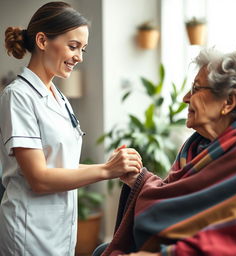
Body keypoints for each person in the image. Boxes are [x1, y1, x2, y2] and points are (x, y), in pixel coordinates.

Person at [0, 2, 142, 255]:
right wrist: (105, 170)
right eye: (73, 46)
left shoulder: (59, 97)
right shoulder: (18, 95)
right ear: (42, 40)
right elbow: (39, 178)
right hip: (29, 232)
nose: (79, 57)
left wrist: (113, 168)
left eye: (82, 49)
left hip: (61, 229)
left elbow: (61, 165)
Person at [93, 47, 236, 256]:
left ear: (228, 102)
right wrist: (137, 178)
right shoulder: (196, 147)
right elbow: (172, 201)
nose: (186, 98)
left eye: (196, 89)